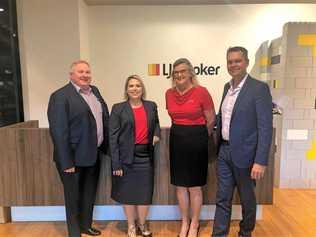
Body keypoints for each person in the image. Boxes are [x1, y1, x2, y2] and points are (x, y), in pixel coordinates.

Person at [212, 47, 272, 237]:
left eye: (238, 61)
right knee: (222, 198)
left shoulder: (259, 88)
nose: (233, 65)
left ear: (246, 62)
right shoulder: (226, 88)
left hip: (247, 155)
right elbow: (225, 117)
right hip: (224, 152)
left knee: (247, 200)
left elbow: (265, 127)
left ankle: (245, 232)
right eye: (230, 61)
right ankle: (219, 234)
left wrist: (260, 160)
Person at [47, 60, 109, 237]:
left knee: (89, 193)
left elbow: (102, 119)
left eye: (88, 72)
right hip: (72, 158)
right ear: (71, 75)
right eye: (80, 72)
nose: (85, 75)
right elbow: (59, 131)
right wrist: (66, 161)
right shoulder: (60, 96)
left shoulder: (94, 91)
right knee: (73, 197)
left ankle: (85, 225)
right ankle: (74, 232)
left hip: (93, 154)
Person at [165, 58, 216, 237]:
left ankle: (194, 223)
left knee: (195, 186)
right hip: (177, 139)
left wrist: (199, 137)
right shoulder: (168, 93)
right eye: (176, 72)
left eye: (183, 71)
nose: (179, 75)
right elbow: (173, 118)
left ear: (190, 73)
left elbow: (211, 120)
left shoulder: (201, 92)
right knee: (180, 186)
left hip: (197, 140)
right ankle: (184, 222)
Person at [109, 75, 160, 237]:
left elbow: (156, 123)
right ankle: (131, 225)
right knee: (128, 193)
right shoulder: (118, 108)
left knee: (144, 194)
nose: (135, 88)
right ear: (126, 89)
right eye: (131, 86)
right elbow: (113, 138)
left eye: (138, 85)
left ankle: (142, 224)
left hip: (145, 157)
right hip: (126, 159)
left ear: (142, 88)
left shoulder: (151, 106)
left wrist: (156, 134)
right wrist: (116, 164)